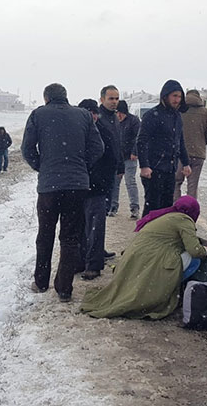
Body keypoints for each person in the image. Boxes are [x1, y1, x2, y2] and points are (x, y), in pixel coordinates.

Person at [21, 83, 104, 302]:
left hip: (49, 187)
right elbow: (98, 147)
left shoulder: (38, 115)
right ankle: (64, 288)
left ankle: (41, 282)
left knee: (45, 235)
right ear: (66, 97)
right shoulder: (84, 116)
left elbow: (27, 149)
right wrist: (81, 165)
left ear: (46, 98)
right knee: (70, 238)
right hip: (77, 187)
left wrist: (43, 166)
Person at [80, 196, 207, 319]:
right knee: (195, 260)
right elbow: (194, 250)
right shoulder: (184, 219)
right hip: (152, 259)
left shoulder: (166, 216)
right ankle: (169, 290)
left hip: (136, 259)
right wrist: (206, 250)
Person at [137, 80, 191, 216]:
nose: (177, 100)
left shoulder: (177, 116)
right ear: (166, 96)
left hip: (170, 169)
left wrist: (186, 163)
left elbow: (180, 140)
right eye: (174, 96)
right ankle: (145, 234)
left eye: (179, 97)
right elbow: (141, 141)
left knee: (166, 207)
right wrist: (144, 165)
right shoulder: (152, 115)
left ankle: (161, 236)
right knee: (152, 206)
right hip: (154, 168)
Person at [78, 99, 116, 280]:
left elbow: (112, 159)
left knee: (95, 228)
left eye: (91, 113)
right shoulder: (77, 131)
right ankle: (80, 261)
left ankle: (93, 265)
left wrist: (105, 185)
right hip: (77, 187)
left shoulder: (104, 132)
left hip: (96, 187)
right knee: (79, 228)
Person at [174, 90, 207, 201]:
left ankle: (175, 209)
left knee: (176, 183)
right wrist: (202, 142)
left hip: (180, 154)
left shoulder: (179, 110)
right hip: (198, 154)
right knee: (192, 186)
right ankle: (189, 212)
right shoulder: (205, 112)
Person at [113, 100, 141, 220]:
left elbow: (138, 138)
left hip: (130, 157)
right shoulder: (113, 121)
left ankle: (134, 207)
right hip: (117, 157)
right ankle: (113, 206)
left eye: (121, 113)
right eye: (117, 113)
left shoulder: (134, 121)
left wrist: (135, 152)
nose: (119, 116)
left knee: (130, 182)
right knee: (115, 182)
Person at [98, 85, 124, 217]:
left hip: (112, 169)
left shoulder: (114, 117)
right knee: (98, 210)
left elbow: (117, 143)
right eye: (111, 98)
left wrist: (120, 166)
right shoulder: (97, 118)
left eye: (117, 98)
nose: (114, 101)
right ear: (102, 99)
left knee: (105, 208)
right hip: (99, 169)